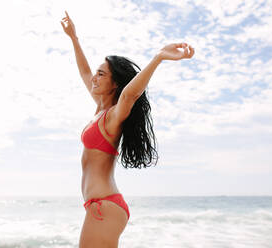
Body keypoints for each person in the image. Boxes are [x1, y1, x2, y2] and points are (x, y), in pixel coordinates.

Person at [60, 11, 194, 248]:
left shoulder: (112, 116)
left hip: (104, 206)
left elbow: (131, 95)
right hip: (103, 206)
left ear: (115, 84)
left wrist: (158, 58)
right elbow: (83, 72)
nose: (94, 78)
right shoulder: (99, 111)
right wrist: (74, 38)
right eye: (97, 73)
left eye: (101, 74)